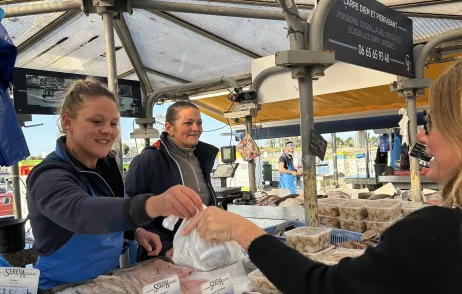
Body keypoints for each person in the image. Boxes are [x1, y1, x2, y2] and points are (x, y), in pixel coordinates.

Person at [182, 61, 462, 294]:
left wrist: (242, 231)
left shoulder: (436, 233)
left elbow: (322, 288)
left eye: (431, 123)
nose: (422, 136)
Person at [26, 78, 204, 289]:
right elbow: (80, 212)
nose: (107, 131)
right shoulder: (48, 175)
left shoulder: (107, 165)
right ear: (68, 122)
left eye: (113, 123)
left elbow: (109, 211)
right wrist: (154, 204)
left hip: (105, 282)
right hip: (61, 287)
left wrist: (134, 231)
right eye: (96, 121)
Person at [125, 101, 219, 261]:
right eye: (188, 123)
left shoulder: (202, 157)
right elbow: (132, 209)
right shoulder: (148, 159)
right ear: (169, 128)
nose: (196, 128)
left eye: (199, 123)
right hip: (164, 253)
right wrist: (165, 244)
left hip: (200, 250)